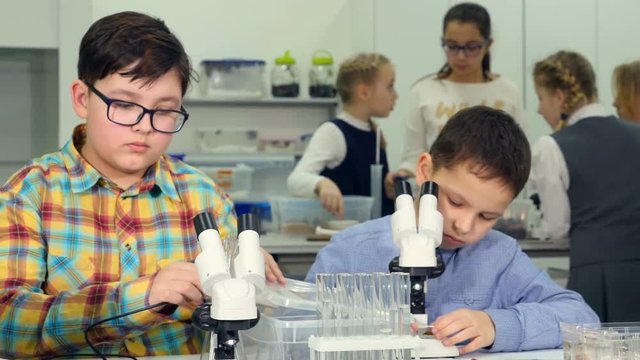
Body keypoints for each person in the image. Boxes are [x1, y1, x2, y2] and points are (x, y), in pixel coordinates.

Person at [0, 11, 284, 358]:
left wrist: (253, 288)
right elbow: (7, 323)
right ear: (81, 98)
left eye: (164, 110)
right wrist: (143, 296)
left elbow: (244, 329)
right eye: (123, 105)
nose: (144, 126)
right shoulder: (28, 193)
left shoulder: (203, 196)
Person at [306, 106, 598, 354]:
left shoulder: (499, 257)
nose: (464, 225)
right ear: (424, 171)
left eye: (487, 216)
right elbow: (295, 330)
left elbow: (581, 318)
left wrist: (496, 325)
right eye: (456, 201)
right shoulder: (349, 252)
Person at [529, 50, 640, 322]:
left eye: (541, 98)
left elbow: (558, 229)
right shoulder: (637, 135)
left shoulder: (551, 146)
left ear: (559, 96)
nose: (539, 109)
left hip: (594, 275)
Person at [386, 2, 525, 193]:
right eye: (452, 46)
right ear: (443, 41)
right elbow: (413, 156)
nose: (461, 56)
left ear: (488, 44)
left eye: (472, 47)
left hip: (492, 201)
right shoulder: (425, 91)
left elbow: (519, 158)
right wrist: (402, 175)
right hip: (438, 201)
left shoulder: (507, 92)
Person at [287, 53, 398, 217]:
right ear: (364, 92)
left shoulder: (375, 133)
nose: (395, 95)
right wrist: (322, 184)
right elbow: (295, 180)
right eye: (390, 86)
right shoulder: (333, 132)